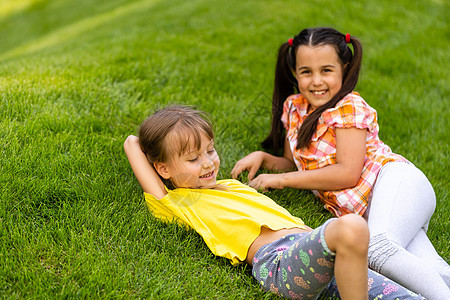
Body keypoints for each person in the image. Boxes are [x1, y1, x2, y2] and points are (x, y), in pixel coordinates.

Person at [231, 27, 450, 299]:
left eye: (326, 70)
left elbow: (347, 173)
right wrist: (263, 158)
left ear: (344, 68)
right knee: (432, 268)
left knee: (378, 249)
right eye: (306, 71)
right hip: (372, 210)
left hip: (394, 183)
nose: (316, 81)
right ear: (294, 72)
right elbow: (293, 163)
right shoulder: (294, 107)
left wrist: (280, 181)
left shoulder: (348, 106)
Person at [124, 105, 424, 299]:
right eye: (192, 158)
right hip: (281, 263)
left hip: (326, 258)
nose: (207, 164)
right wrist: (162, 133)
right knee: (352, 229)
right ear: (162, 169)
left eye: (210, 151)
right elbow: (132, 143)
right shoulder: (177, 202)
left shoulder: (230, 185)